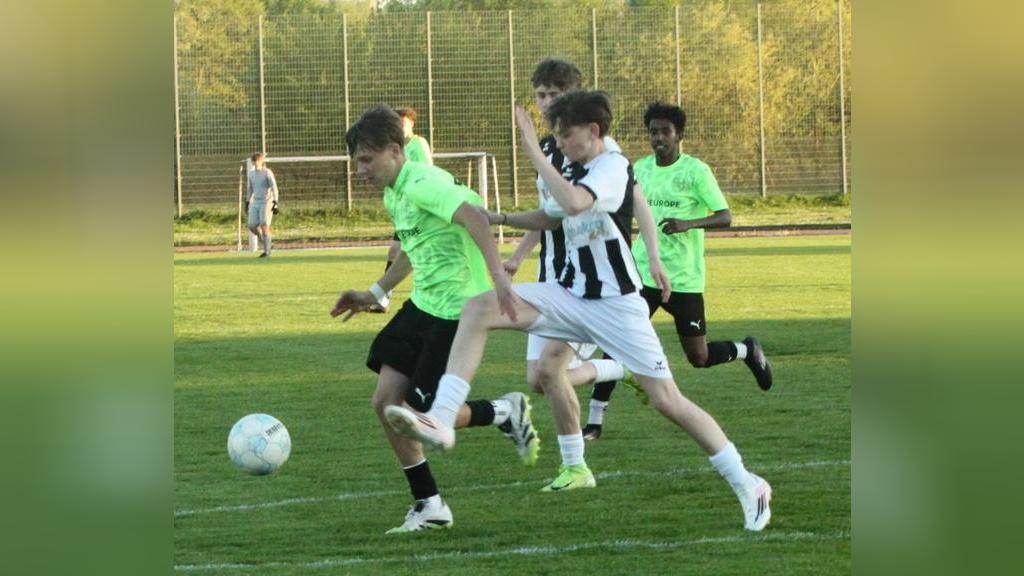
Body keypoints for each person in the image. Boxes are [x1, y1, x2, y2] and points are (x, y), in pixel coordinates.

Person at [385, 91, 772, 531]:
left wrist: (532, 147)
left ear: (593, 131)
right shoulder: (576, 166)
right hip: (569, 295)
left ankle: (748, 483)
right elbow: (553, 217)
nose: (560, 145)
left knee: (668, 401)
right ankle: (441, 418)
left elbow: (573, 204)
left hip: (615, 307)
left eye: (565, 136)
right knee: (480, 307)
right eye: (555, 138)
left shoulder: (612, 166)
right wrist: (499, 217)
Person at [330, 106, 537, 534]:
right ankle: (430, 505)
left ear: (395, 150)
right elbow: (414, 246)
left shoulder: (423, 182)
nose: (361, 170)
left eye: (367, 160)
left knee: (417, 416)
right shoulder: (395, 192)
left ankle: (503, 411)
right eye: (357, 162)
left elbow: (474, 215)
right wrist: (375, 292)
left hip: (458, 311)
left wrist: (499, 278)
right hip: (424, 305)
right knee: (385, 403)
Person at [583, 103, 775, 439]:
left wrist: (688, 223)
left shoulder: (696, 171)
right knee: (618, 340)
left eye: (665, 132)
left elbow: (724, 216)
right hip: (643, 274)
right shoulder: (640, 169)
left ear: (679, 135)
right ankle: (594, 422)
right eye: (653, 132)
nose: (658, 138)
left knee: (699, 357)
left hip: (684, 278)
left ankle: (747, 350)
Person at [501, 59, 650, 433]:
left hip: (586, 282)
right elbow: (551, 212)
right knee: (537, 379)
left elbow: (635, 199)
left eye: (555, 94)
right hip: (550, 274)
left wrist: (655, 256)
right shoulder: (550, 149)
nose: (546, 102)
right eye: (541, 95)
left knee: (551, 371)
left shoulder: (599, 148)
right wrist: (518, 255)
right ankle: (617, 368)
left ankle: (576, 451)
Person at [370, 107, 434, 314]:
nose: (400, 126)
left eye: (403, 122)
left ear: (411, 124)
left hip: (417, 209)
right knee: (399, 251)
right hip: (404, 210)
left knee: (405, 251)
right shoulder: (395, 148)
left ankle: (384, 297)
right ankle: (384, 297)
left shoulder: (418, 144)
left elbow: (427, 172)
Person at [246, 152, 279, 258]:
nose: (255, 163)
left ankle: (267, 251)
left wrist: (275, 203)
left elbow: (274, 188)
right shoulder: (251, 174)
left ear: (261, 161)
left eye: (257, 161)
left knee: (264, 225)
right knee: (252, 225)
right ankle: (267, 242)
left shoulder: (267, 172)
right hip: (256, 202)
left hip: (267, 202)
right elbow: (250, 189)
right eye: (254, 161)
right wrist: (247, 202)